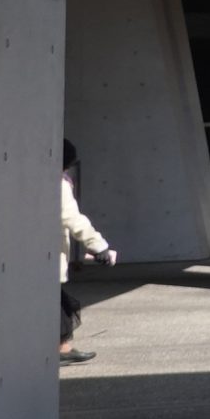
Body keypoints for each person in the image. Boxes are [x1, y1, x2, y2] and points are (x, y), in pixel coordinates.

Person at [60, 150, 114, 365]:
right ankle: (61, 348)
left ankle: (62, 348)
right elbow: (72, 218)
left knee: (55, 301)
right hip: (47, 254)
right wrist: (99, 246)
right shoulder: (59, 184)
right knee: (58, 303)